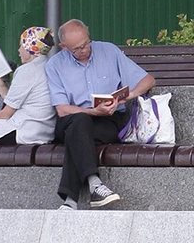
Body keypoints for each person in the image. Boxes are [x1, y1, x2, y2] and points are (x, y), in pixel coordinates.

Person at [46, 18, 155, 210]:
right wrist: (91, 111)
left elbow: (148, 80)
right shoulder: (55, 65)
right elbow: (62, 109)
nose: (85, 50)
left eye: (86, 43)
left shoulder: (109, 51)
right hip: (72, 119)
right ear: (64, 47)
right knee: (79, 123)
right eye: (77, 49)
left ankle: (70, 201)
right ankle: (95, 184)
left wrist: (127, 97)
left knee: (79, 138)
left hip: (108, 120)